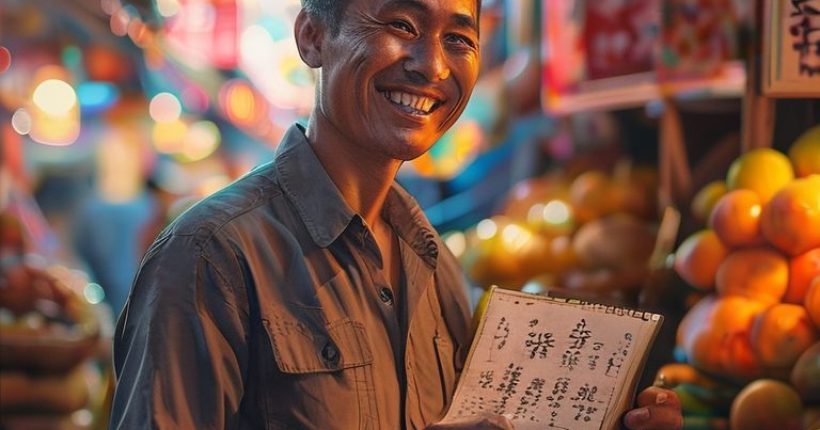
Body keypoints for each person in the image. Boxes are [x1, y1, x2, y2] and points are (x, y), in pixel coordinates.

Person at [109, 0, 683, 429]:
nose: (432, 65)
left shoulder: (433, 265)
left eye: (459, 38)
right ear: (311, 37)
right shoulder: (212, 257)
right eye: (400, 25)